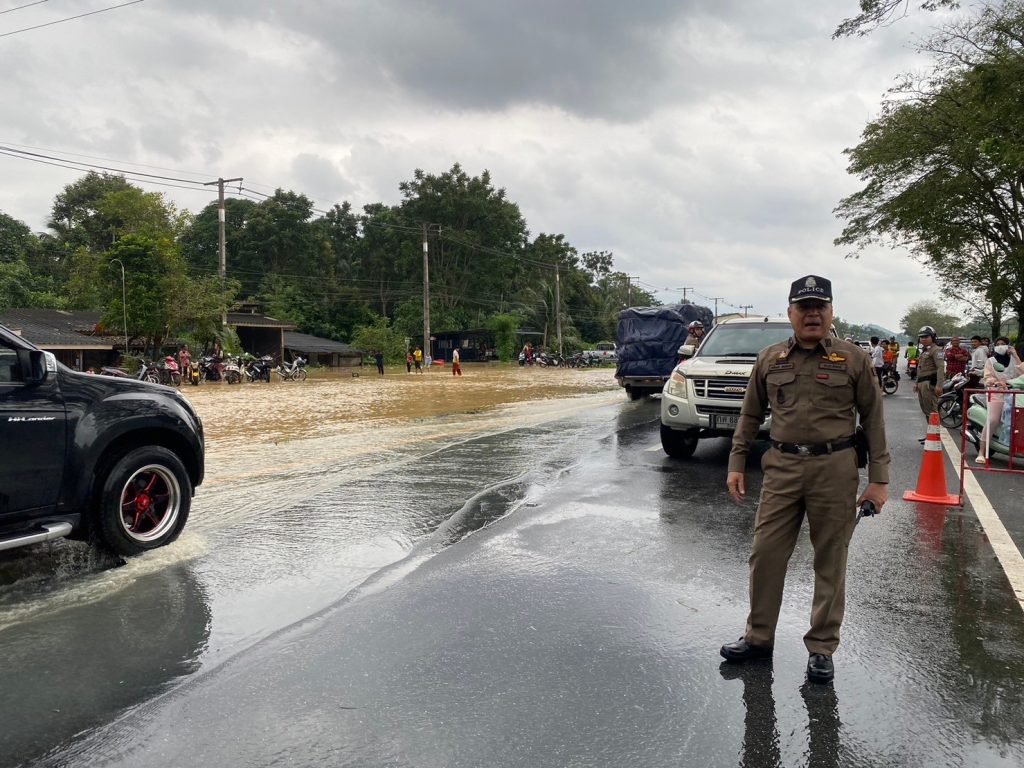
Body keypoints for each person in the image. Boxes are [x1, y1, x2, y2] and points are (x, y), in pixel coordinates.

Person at [723, 275, 889, 685]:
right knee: (765, 554)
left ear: (831, 312)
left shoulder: (853, 358)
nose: (812, 314)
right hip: (781, 467)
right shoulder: (770, 358)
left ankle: (821, 648)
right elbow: (750, 414)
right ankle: (758, 637)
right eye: (804, 307)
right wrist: (737, 462)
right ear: (790, 313)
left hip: (835, 468)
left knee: (830, 560)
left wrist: (879, 479)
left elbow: (873, 419)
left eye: (820, 307)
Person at [977, 337, 1023, 463]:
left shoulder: (1015, 360)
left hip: (1015, 394)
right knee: (993, 420)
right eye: (998, 344)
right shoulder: (991, 361)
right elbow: (987, 378)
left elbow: (1022, 374)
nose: (1000, 346)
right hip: (997, 393)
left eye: (1003, 344)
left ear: (1009, 346)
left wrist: (1015, 355)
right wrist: (996, 382)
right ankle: (981, 452)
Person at [914, 326, 945, 420]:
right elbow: (920, 369)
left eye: (926, 336)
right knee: (926, 409)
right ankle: (930, 429)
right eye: (921, 337)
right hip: (922, 383)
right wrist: (916, 383)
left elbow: (940, 367)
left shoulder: (936, 350)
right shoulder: (924, 351)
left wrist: (939, 385)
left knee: (932, 411)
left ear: (933, 337)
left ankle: (934, 430)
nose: (923, 339)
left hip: (929, 384)